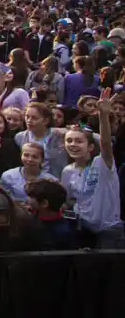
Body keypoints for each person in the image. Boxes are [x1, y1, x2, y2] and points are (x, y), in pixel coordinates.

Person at [61, 88, 123, 248]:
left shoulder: (102, 163)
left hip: (109, 231)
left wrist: (103, 115)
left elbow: (105, 143)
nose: (73, 145)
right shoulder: (67, 171)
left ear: (90, 146)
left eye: (79, 141)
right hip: (82, 230)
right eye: (69, 141)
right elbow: (68, 201)